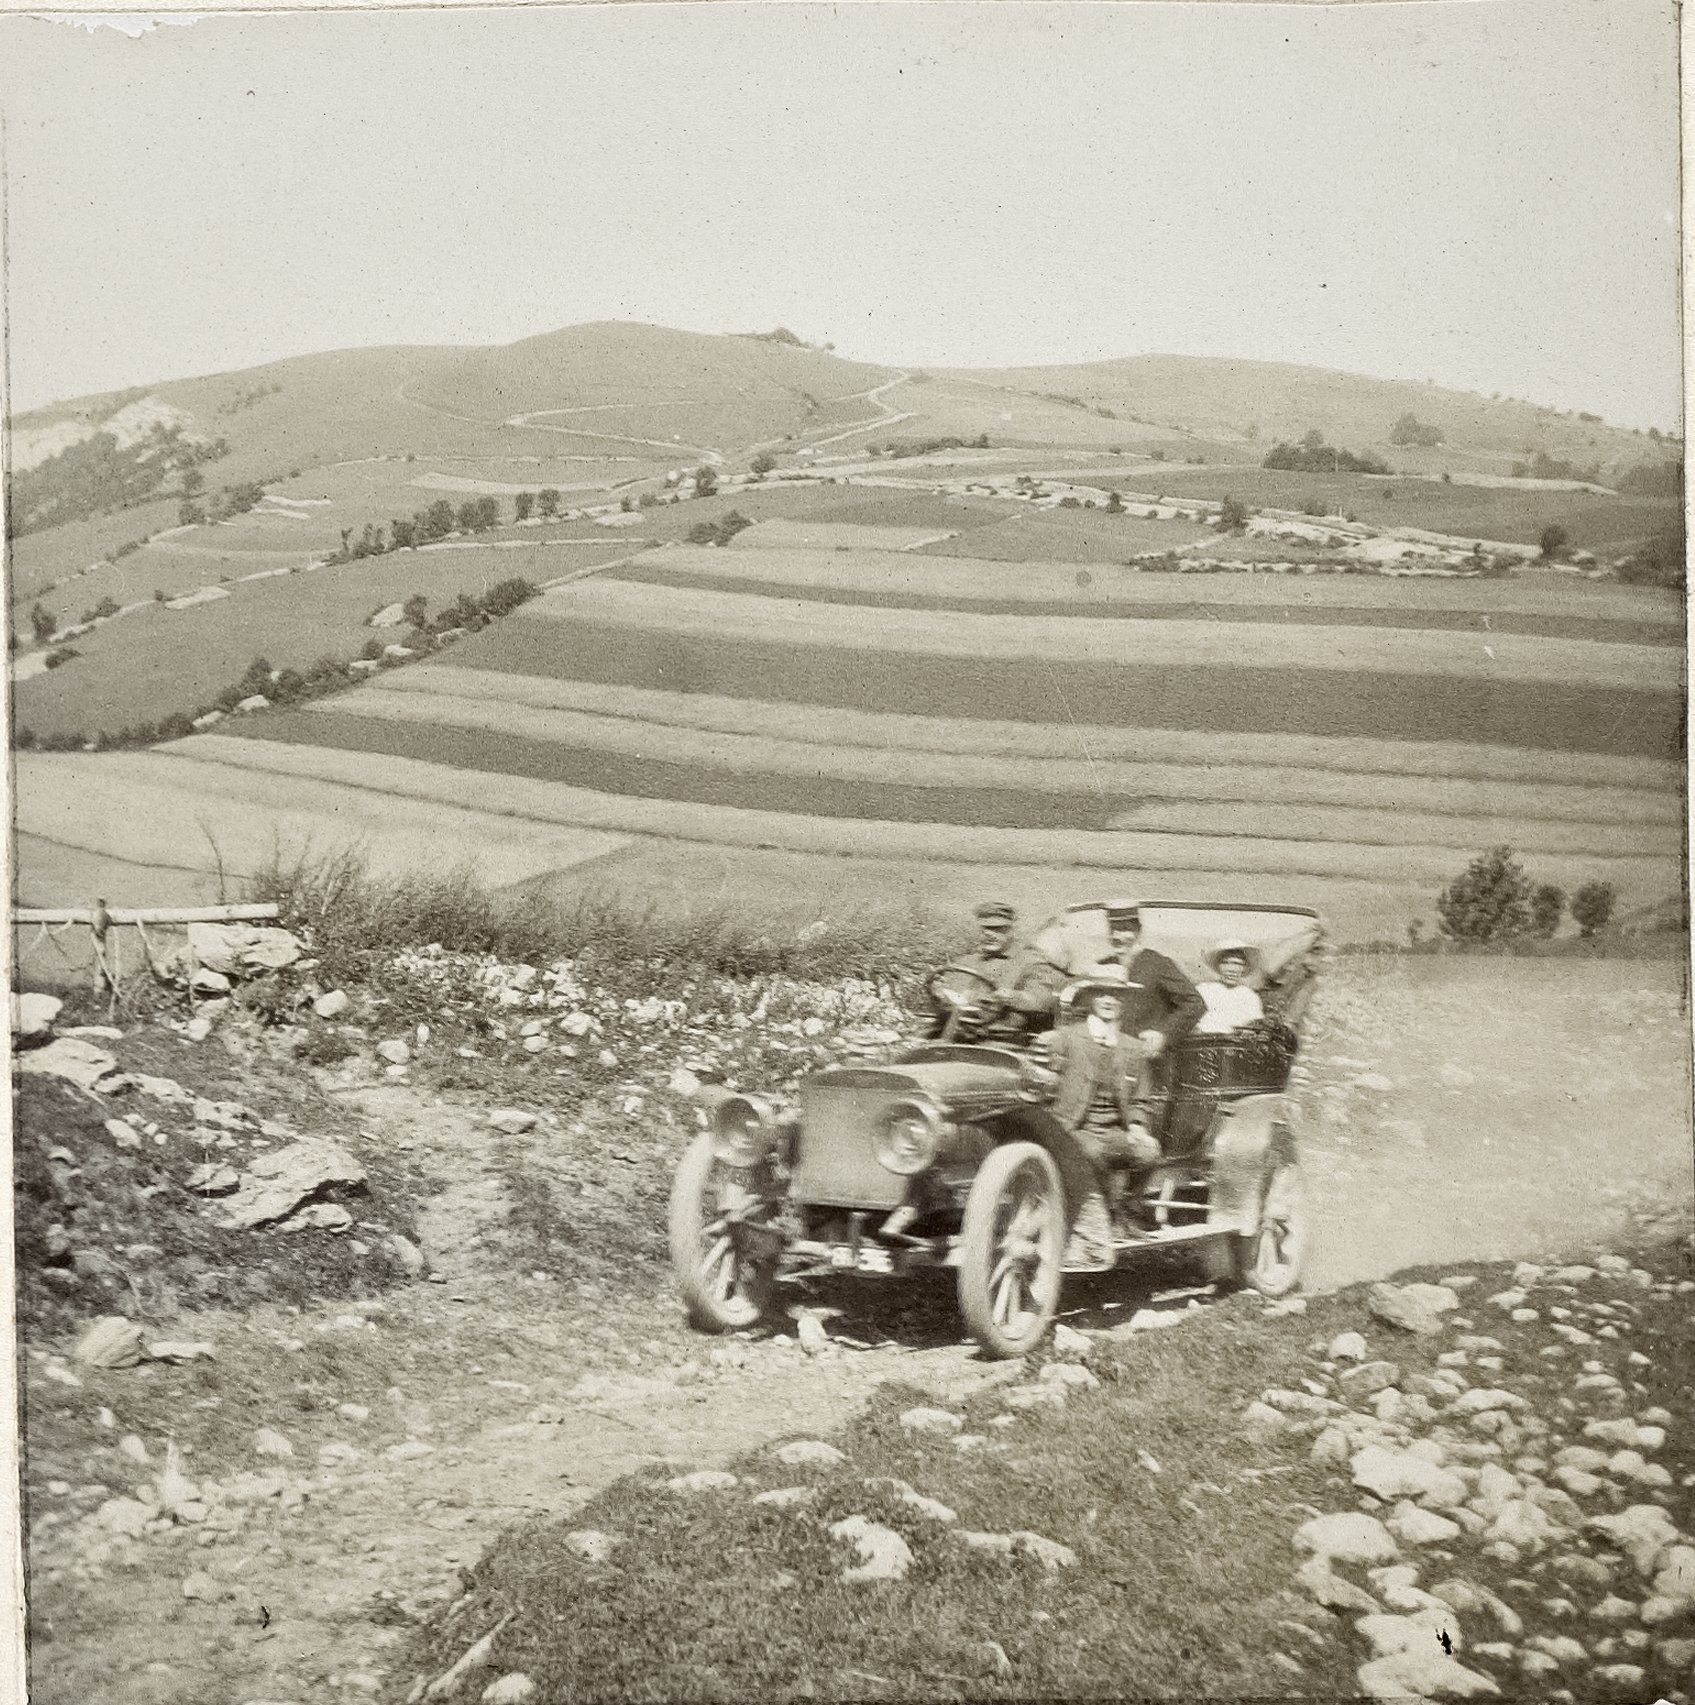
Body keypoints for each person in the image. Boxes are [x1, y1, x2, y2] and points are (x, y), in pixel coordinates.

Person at [1038, 974, 1161, 1268]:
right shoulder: (1067, 1037)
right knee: (1092, 1153)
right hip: (1072, 1128)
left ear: (1125, 1002)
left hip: (1112, 1129)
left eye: (1116, 995)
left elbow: (1142, 1098)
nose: (1108, 1000)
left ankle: (1126, 1211)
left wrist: (1136, 1126)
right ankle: (1097, 1222)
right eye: (1102, 994)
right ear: (1092, 998)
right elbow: (1045, 1081)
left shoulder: (1132, 1047)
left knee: (1149, 1151)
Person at [926, 900, 1065, 1044]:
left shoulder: (1031, 962)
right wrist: (938, 995)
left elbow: (1040, 1000)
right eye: (985, 929)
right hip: (955, 1035)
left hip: (1001, 1041)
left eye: (997, 929)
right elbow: (946, 1002)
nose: (989, 934)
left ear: (1011, 930)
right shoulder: (964, 962)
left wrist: (1012, 997)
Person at [1101, 902, 1206, 1059]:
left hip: (1148, 1059)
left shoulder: (1157, 963)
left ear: (1139, 931)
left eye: (1124, 929)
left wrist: (1163, 1035)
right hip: (1110, 1059)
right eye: (1113, 929)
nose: (1117, 936)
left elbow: (1194, 1003)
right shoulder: (1103, 965)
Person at [1193, 939, 1264, 1034]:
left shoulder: (1250, 996)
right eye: (1226, 963)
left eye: (1238, 964)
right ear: (1218, 965)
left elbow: (1253, 1027)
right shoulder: (1203, 990)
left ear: (1244, 968)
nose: (1232, 969)